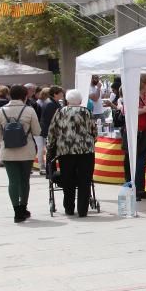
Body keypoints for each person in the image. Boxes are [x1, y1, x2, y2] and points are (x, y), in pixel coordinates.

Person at [0, 84, 41, 222]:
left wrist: (6, 141)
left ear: (10, 95)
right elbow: (37, 131)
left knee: (13, 181)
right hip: (26, 151)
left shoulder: (0, 111)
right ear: (25, 96)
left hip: (8, 151)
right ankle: (23, 208)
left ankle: (16, 212)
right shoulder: (29, 110)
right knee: (24, 181)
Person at [46, 89, 97, 217]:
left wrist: (50, 147)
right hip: (85, 150)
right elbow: (94, 130)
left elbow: (52, 131)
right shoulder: (86, 112)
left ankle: (69, 208)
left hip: (65, 151)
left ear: (67, 100)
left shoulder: (60, 112)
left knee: (67, 179)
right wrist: (91, 141)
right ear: (80, 101)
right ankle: (82, 210)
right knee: (85, 180)